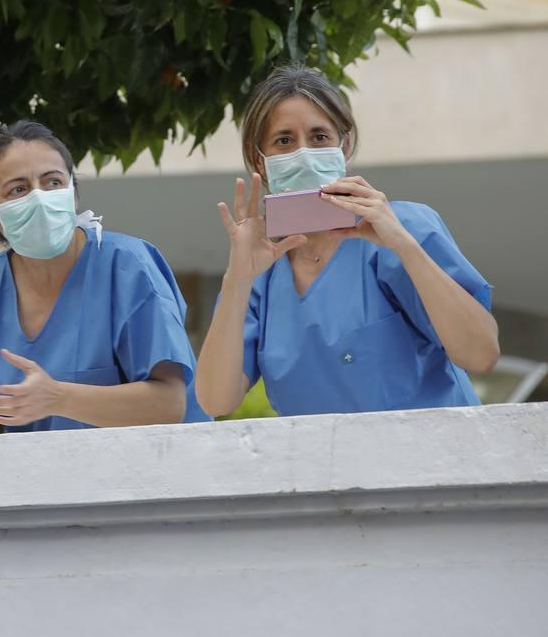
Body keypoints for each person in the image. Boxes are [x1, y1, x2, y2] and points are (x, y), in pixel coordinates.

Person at [195, 63, 499, 418]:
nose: (304, 152)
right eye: (284, 140)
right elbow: (215, 401)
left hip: (437, 462)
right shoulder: (259, 272)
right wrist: (237, 278)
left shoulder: (403, 227)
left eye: (320, 137)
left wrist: (403, 244)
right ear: (257, 160)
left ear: (345, 145)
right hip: (325, 470)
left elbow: (481, 354)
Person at [0, 120, 207, 434]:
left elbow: (169, 404)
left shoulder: (127, 265)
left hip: (145, 477)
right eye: (18, 189)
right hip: (34, 479)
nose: (40, 198)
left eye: (53, 182)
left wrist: (58, 398)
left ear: (73, 193)